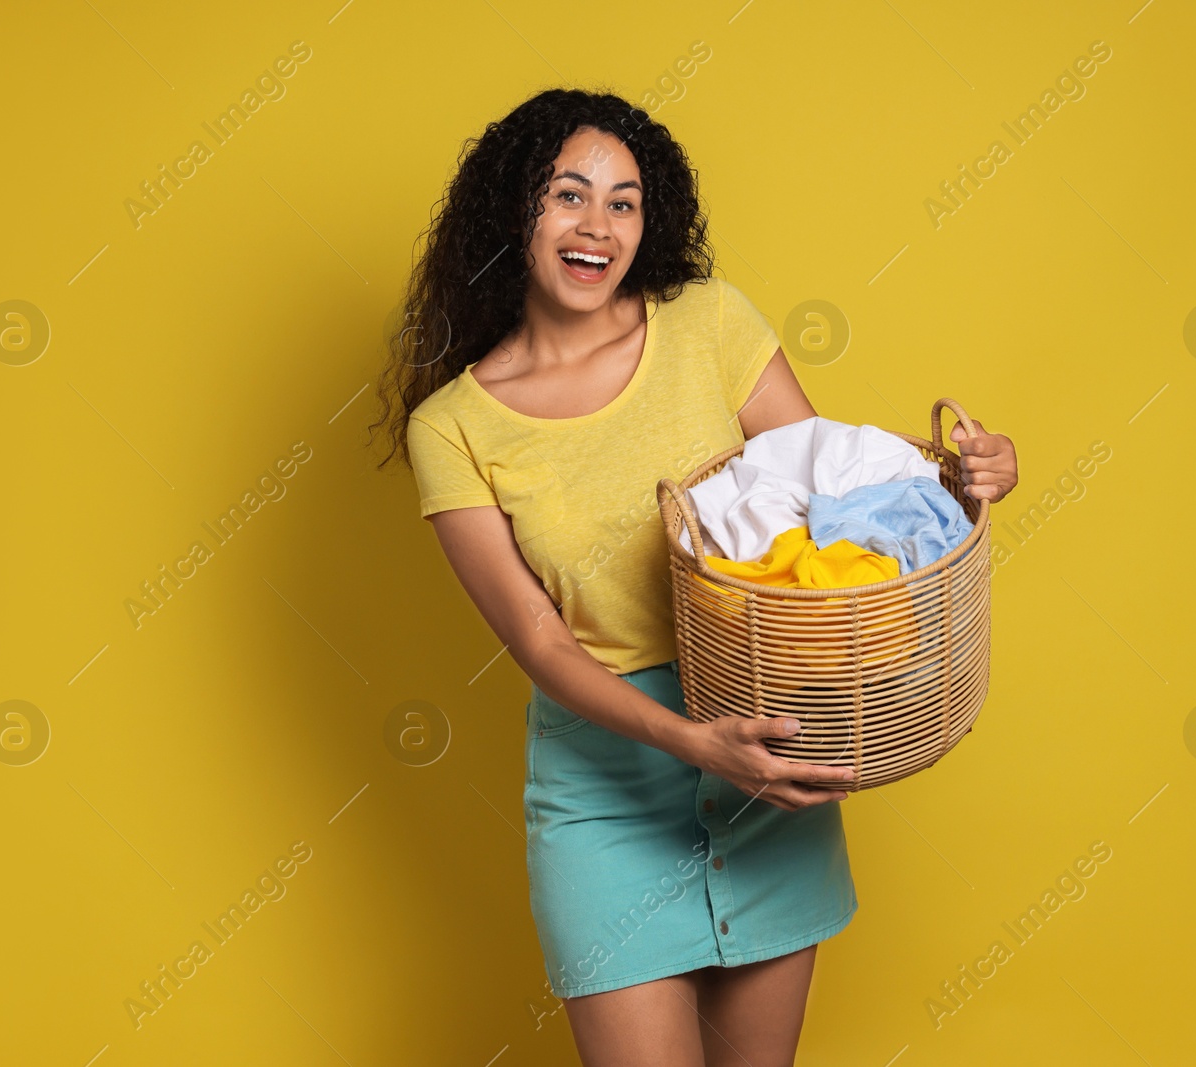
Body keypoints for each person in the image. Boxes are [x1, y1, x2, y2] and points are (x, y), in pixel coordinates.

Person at [371, 88, 1019, 1067]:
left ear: (651, 220)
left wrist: (963, 473)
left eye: (625, 202)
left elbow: (832, 490)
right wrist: (691, 742)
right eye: (569, 195)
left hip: (767, 732)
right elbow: (540, 641)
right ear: (514, 209)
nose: (597, 225)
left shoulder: (709, 322)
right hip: (605, 783)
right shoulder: (453, 426)